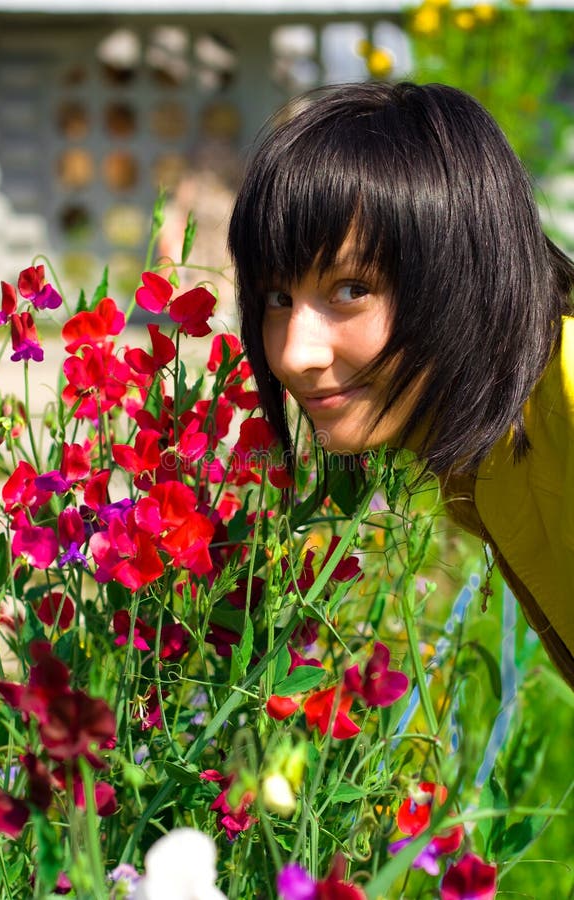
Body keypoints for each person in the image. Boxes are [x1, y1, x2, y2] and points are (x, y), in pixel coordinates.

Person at [227, 81, 574, 688]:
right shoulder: (479, 442)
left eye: (350, 290)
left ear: (462, 271)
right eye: (278, 298)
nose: (292, 353)